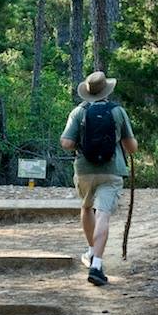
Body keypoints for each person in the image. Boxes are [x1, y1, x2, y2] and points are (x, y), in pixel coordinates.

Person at [60, 71, 138, 286]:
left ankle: (92, 251)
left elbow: (66, 142)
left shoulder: (78, 112)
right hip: (111, 170)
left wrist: (83, 146)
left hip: (85, 169)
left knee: (86, 209)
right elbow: (132, 147)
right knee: (103, 214)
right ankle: (97, 266)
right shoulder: (118, 112)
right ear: (107, 90)